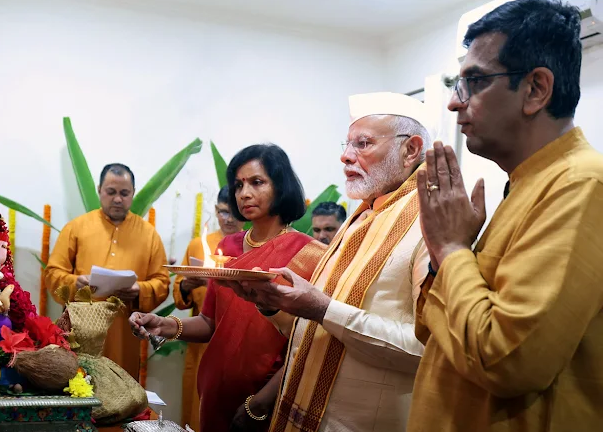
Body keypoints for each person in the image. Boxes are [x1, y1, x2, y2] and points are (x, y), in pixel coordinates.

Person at [409, 1, 603, 431]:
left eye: (474, 82)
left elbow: (507, 362)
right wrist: (448, 256)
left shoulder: (581, 185)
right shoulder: (528, 182)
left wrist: (452, 248)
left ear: (535, 89)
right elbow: (434, 331)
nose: (456, 106)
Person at [227, 92, 436, 431]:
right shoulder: (365, 213)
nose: (345, 156)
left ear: (410, 149)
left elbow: (430, 351)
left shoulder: (431, 220)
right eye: (347, 144)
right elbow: (316, 327)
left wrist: (322, 308)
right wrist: (271, 304)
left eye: (363, 144)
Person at [129, 144, 325, 432]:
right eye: (238, 185)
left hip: (268, 399)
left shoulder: (310, 254)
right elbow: (210, 322)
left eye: (257, 182)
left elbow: (308, 346)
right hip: (215, 391)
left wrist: (259, 403)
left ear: (281, 186)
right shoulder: (227, 248)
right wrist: (164, 325)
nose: (244, 193)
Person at [45, 163, 169, 379]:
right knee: (79, 387)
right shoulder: (76, 228)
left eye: (124, 193)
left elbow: (162, 282)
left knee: (122, 391)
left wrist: (140, 289)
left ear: (133, 193)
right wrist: (77, 283)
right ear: (99, 190)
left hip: (124, 334)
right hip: (81, 332)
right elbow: (53, 273)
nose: (118, 199)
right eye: (111, 192)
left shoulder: (149, 235)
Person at [172, 185, 244, 431]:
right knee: (196, 407)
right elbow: (180, 296)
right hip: (200, 341)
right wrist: (186, 286)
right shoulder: (197, 245)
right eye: (223, 212)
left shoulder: (249, 245)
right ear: (216, 210)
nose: (228, 219)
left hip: (238, 343)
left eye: (233, 213)